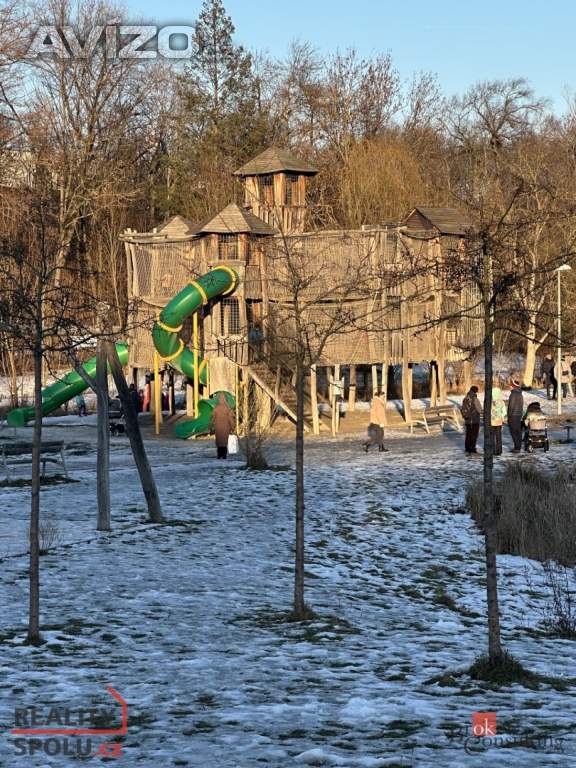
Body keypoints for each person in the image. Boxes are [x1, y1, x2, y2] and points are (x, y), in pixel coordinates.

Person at [209, 393, 235, 459]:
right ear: (225, 399)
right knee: (224, 441)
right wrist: (232, 427)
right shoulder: (228, 408)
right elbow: (231, 418)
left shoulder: (216, 408)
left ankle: (219, 454)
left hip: (218, 427)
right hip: (226, 427)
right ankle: (224, 455)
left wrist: (210, 426)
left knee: (219, 441)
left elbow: (213, 418)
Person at [461, 385, 482, 454]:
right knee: (474, 434)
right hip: (474, 420)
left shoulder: (465, 398)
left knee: (468, 434)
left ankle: (467, 448)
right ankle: (472, 448)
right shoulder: (475, 399)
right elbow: (479, 409)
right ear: (476, 391)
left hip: (467, 420)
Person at [507, 378, 524, 453]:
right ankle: (518, 446)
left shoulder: (513, 394)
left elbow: (511, 406)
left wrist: (509, 415)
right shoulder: (520, 393)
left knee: (513, 431)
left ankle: (516, 447)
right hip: (519, 414)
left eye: (510, 386)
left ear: (513, 386)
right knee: (518, 431)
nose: (509, 387)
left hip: (513, 415)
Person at [491, 387, 506, 456]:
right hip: (499, 421)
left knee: (492, 436)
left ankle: (492, 450)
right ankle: (499, 450)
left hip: (491, 421)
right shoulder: (501, 402)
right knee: (498, 437)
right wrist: (501, 416)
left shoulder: (489, 402)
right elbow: (504, 412)